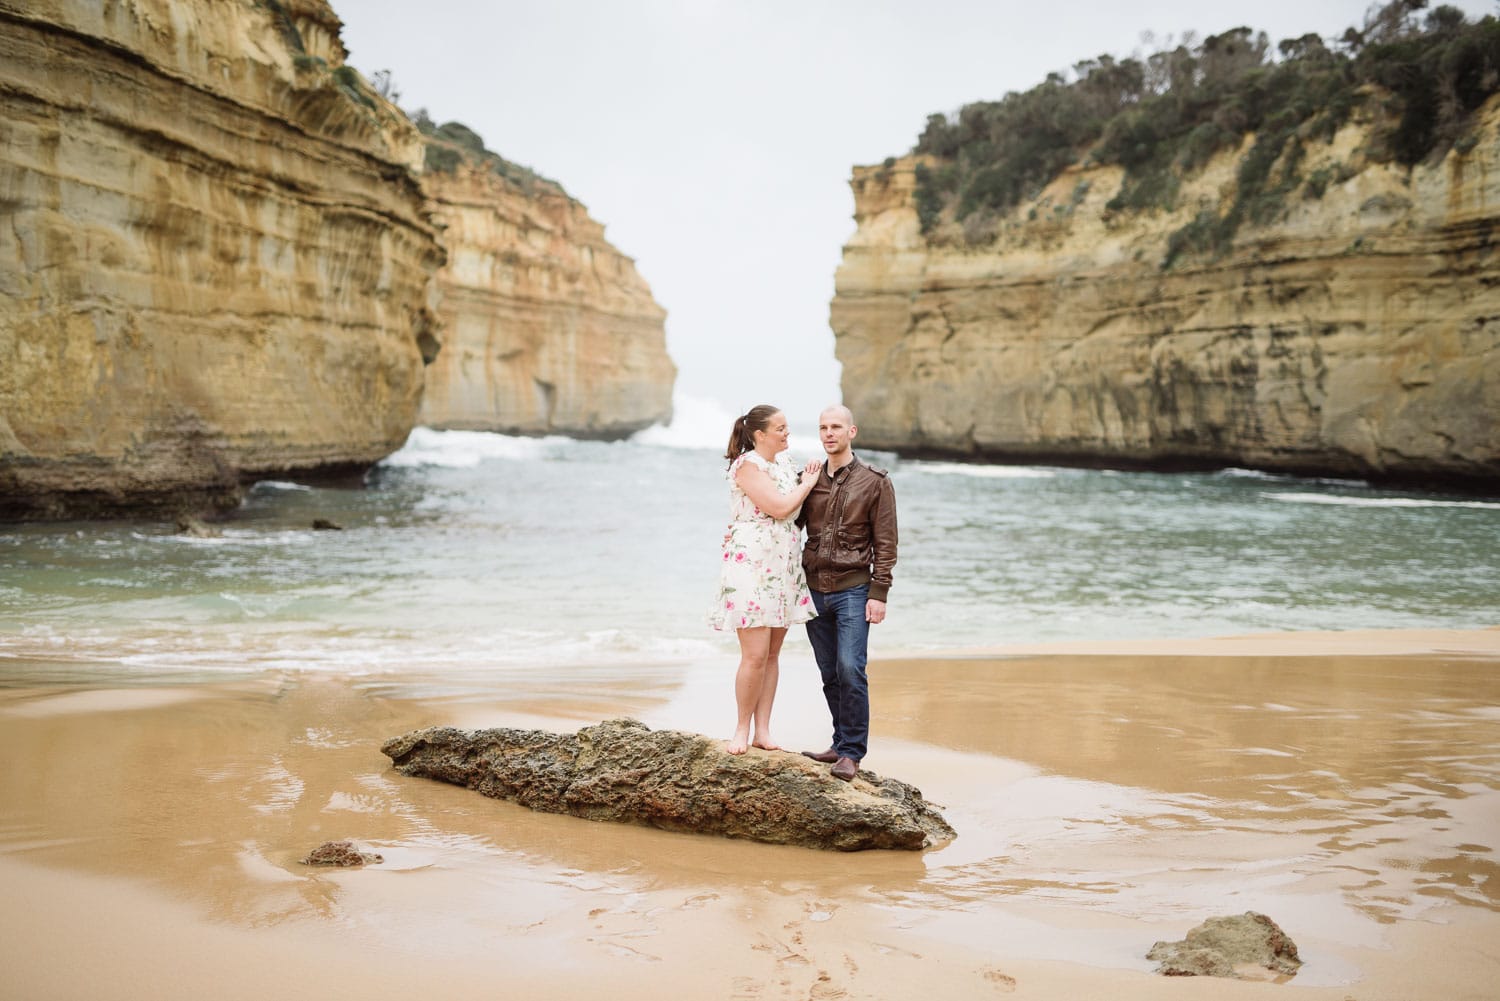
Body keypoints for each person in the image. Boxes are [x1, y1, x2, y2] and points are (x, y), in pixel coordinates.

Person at [709, 404, 823, 755]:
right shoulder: (747, 465)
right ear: (760, 435)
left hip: (784, 564)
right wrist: (807, 485)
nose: (787, 433)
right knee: (755, 655)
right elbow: (778, 507)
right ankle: (741, 728)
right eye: (781, 428)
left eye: (788, 427)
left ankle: (764, 730)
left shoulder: (786, 464)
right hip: (752, 564)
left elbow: (796, 513)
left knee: (773, 654)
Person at [798, 405, 898, 782]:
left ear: (851, 431)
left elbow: (886, 542)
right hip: (814, 591)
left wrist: (880, 592)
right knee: (829, 672)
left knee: (850, 669)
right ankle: (840, 744)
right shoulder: (808, 479)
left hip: (854, 590)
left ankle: (853, 752)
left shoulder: (875, 481)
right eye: (823, 427)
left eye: (836, 426)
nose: (828, 433)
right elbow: (788, 524)